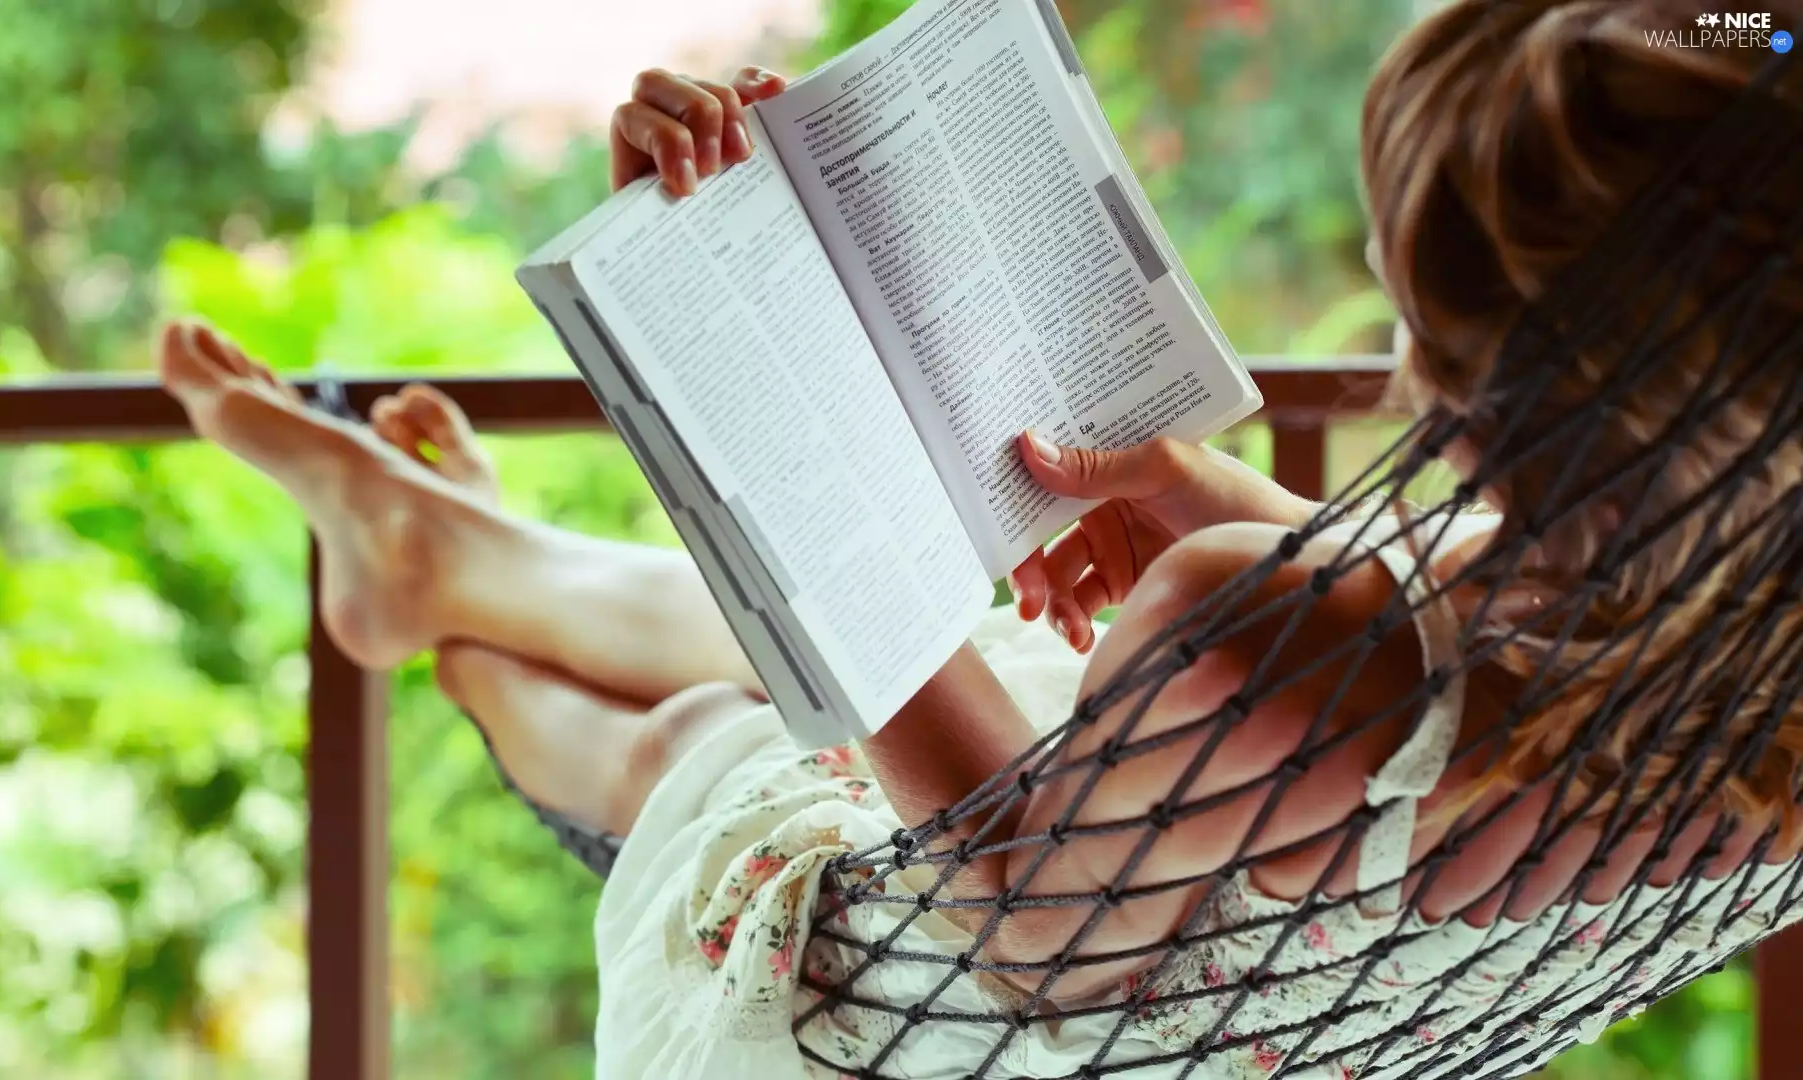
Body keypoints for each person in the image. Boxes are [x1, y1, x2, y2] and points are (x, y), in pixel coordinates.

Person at [160, 1, 1803, 1076]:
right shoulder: (1741, 604)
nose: (1395, 349)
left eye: (1417, 317)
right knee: (981, 643)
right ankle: (447, 559)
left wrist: (795, 458)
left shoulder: (1249, 642)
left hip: (953, 1019)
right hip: (1252, 937)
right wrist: (1202, 491)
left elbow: (1015, 929)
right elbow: (1451, 669)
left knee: (704, 735)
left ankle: (442, 606)